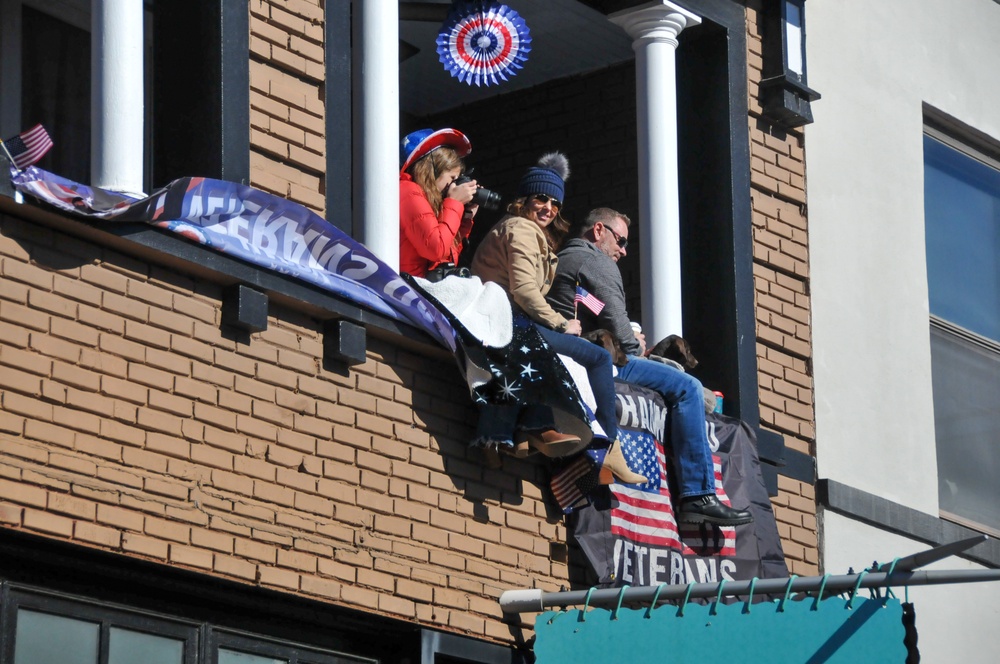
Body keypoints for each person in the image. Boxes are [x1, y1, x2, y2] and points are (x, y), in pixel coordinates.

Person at [547, 207, 753, 526]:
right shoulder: (595, 262)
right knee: (687, 388)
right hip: (599, 361)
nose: (624, 250)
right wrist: (636, 344)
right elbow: (617, 327)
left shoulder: (563, 260)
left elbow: (595, 310)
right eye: (621, 240)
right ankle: (698, 495)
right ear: (598, 231)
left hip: (572, 358)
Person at [471, 156, 646, 484]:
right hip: (505, 321)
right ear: (524, 199)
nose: (548, 207)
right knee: (594, 356)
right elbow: (524, 290)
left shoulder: (529, 232)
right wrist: (560, 323)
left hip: (511, 321)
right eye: (541, 198)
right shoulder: (521, 229)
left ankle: (525, 431)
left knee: (573, 353)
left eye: (555, 202)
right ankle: (605, 443)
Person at [399, 128, 480, 278]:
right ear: (432, 170)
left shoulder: (426, 198)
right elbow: (436, 248)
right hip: (405, 291)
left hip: (417, 290)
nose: (454, 184)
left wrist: (465, 217)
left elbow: (445, 258)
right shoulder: (407, 190)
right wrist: (454, 202)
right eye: (452, 177)